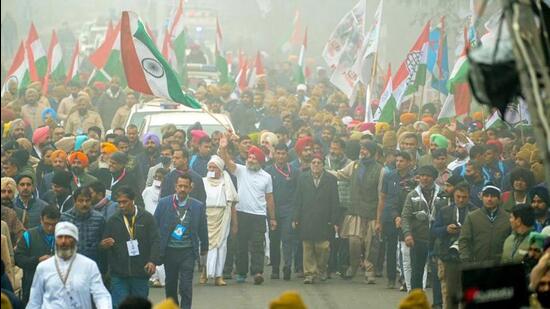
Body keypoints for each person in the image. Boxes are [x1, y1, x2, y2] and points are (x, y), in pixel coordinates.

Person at [218, 136, 276, 285]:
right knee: (241, 245)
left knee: (257, 244)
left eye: (254, 158)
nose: (250, 159)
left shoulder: (267, 177)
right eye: (249, 157)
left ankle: (257, 272)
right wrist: (223, 147)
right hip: (241, 213)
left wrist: (273, 218)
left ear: (260, 161)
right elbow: (227, 162)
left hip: (259, 215)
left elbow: (269, 198)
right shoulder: (241, 170)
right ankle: (242, 272)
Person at [330, 141, 383, 283]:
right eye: (362, 149)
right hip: (355, 211)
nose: (363, 151)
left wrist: (379, 218)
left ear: (372, 151)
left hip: (372, 212)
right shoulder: (354, 165)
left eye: (365, 149)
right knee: (353, 243)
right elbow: (340, 175)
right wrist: (323, 171)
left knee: (371, 244)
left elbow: (381, 195)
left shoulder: (380, 169)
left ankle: (369, 272)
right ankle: (353, 267)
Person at [26, 221, 112, 308]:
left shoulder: (89, 265)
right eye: (60, 237)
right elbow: (34, 301)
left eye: (68, 237)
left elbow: (101, 295)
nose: (63, 241)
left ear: (75, 240)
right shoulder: (43, 267)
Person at [155, 174, 208, 309]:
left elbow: (203, 228)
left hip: (188, 251)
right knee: (171, 285)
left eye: (186, 186)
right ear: (175, 187)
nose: (182, 189)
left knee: (186, 286)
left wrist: (204, 247)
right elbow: (155, 226)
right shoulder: (164, 203)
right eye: (180, 186)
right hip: (169, 251)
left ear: (190, 188)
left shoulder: (197, 206)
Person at [101, 186, 160, 308]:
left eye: (125, 202)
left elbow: (155, 241)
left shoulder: (147, 218)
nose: (121, 205)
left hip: (141, 272)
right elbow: (102, 244)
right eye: (119, 203)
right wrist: (103, 245)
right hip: (118, 274)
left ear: (133, 200)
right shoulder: (113, 220)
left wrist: (152, 261)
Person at [292, 154, 339, 284]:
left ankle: (321, 269)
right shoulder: (303, 178)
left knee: (322, 247)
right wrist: (295, 217)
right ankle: (310, 273)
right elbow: (297, 199)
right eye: (314, 162)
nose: (316, 165)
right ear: (310, 164)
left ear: (323, 165)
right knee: (307, 247)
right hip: (306, 217)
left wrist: (335, 220)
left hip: (324, 219)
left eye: (319, 162)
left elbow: (335, 201)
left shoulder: (330, 179)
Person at [431, 182, 476, 309]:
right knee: (450, 292)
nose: (461, 200)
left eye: (464, 197)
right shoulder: (444, 211)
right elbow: (434, 230)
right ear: (453, 196)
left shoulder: (476, 212)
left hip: (469, 256)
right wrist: (446, 229)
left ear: (469, 196)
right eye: (458, 197)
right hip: (449, 257)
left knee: (469, 292)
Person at [377, 150, 416, 289]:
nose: (398, 163)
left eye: (402, 161)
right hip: (389, 216)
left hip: (408, 216)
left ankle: (406, 278)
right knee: (391, 248)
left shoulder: (414, 178)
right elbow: (382, 198)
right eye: (397, 161)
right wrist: (379, 220)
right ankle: (391, 278)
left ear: (409, 162)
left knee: (406, 248)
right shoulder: (389, 176)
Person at [401, 165, 443, 290]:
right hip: (418, 239)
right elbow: (405, 217)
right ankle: (416, 300)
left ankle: (438, 303)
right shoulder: (412, 195)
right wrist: (407, 234)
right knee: (417, 272)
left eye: (428, 176)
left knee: (437, 272)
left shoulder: (442, 194)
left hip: (437, 240)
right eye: (422, 175)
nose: (424, 178)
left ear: (434, 178)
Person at [265, 143, 300, 280]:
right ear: (274, 155)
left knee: (287, 239)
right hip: (273, 210)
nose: (280, 156)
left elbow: (298, 193)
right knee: (274, 240)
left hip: (289, 210)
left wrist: (296, 213)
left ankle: (287, 266)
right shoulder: (268, 171)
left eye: (283, 153)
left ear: (287, 155)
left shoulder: (295, 171)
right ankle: (275, 268)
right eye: (278, 153)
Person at [201, 155, 238, 286]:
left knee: (221, 246)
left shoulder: (226, 183)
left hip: (223, 216)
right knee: (206, 245)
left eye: (214, 167)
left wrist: (235, 224)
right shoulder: (203, 182)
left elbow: (232, 204)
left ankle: (218, 275)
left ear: (220, 169)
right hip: (206, 216)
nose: (211, 169)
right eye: (209, 167)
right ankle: (205, 272)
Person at [14, 205, 60, 304]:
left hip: (57, 289)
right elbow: (18, 259)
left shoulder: (64, 237)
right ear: (41, 220)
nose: (50, 228)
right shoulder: (29, 235)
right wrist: (37, 260)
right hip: (32, 287)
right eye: (47, 224)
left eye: (54, 224)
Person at [458, 184, 511, 264]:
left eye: (493, 196)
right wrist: (466, 259)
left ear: (499, 199)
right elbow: (464, 240)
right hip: (477, 263)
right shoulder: (472, 217)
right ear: (482, 198)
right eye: (486, 196)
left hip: (501, 265)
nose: (489, 199)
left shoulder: (508, 218)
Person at [60, 186, 105, 263]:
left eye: (87, 201)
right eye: (81, 201)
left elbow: (102, 243)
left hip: (92, 263)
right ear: (74, 201)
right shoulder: (65, 218)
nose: (84, 204)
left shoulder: (99, 219)